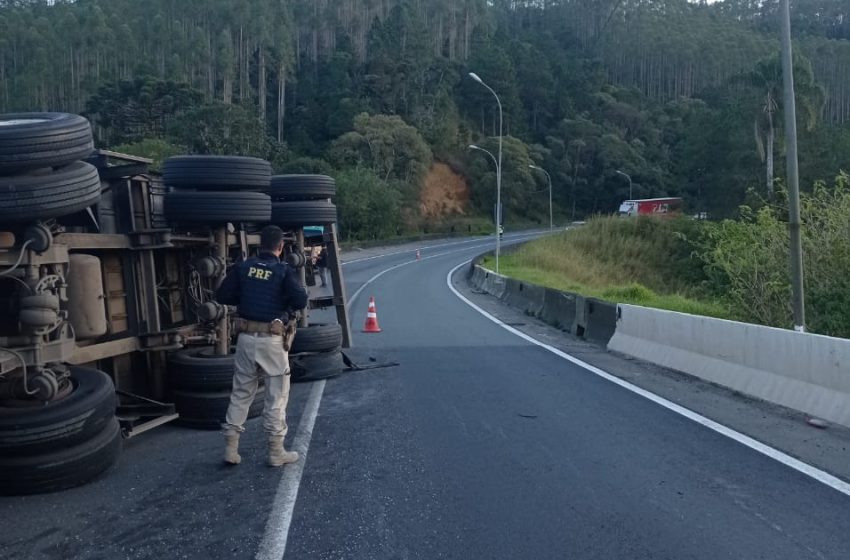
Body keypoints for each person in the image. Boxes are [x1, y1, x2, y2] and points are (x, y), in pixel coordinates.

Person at [215, 225, 308, 467]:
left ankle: (230, 448)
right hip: (272, 340)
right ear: (281, 247)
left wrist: (247, 297)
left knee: (241, 392)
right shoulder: (283, 271)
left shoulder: (243, 268)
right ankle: (276, 451)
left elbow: (223, 296)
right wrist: (283, 305)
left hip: (245, 339)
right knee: (276, 395)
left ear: (259, 245)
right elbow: (301, 299)